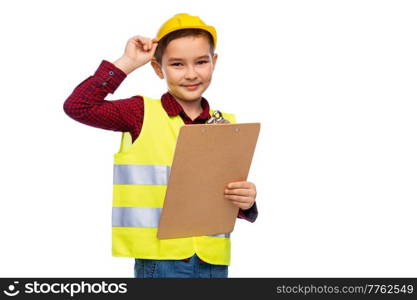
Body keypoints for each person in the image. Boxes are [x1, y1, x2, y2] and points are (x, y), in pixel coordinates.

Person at [63, 13, 258, 278]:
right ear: (158, 69)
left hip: (213, 261)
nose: (191, 74)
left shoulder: (227, 125)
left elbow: (218, 196)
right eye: (177, 64)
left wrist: (246, 202)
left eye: (201, 62)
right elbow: (79, 106)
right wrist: (127, 63)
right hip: (159, 261)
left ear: (214, 62)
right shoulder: (139, 113)